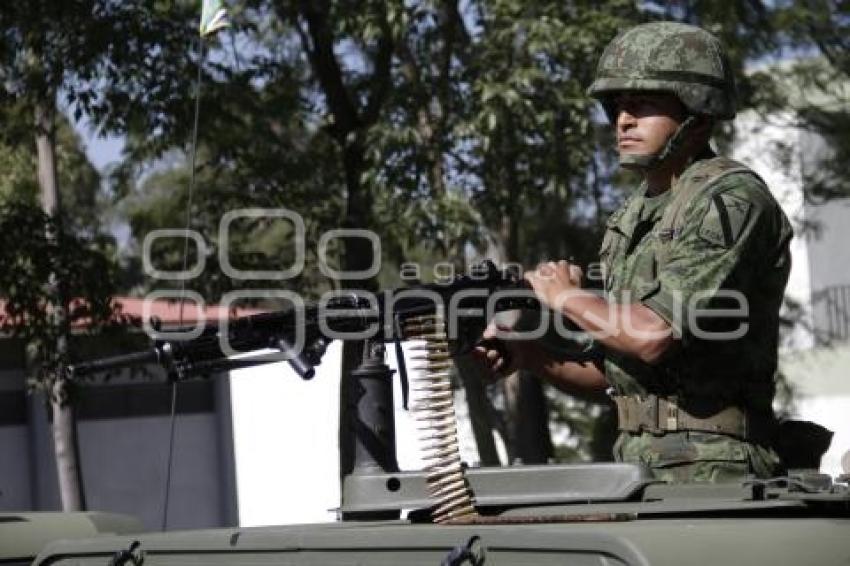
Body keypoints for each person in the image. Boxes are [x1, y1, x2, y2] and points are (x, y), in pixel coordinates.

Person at [474, 21, 793, 483]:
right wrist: (528, 355)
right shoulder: (631, 217)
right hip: (636, 469)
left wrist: (565, 298)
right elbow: (613, 371)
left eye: (641, 104)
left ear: (697, 112)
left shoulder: (732, 199)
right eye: (616, 107)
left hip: (719, 472)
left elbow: (651, 334)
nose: (623, 120)